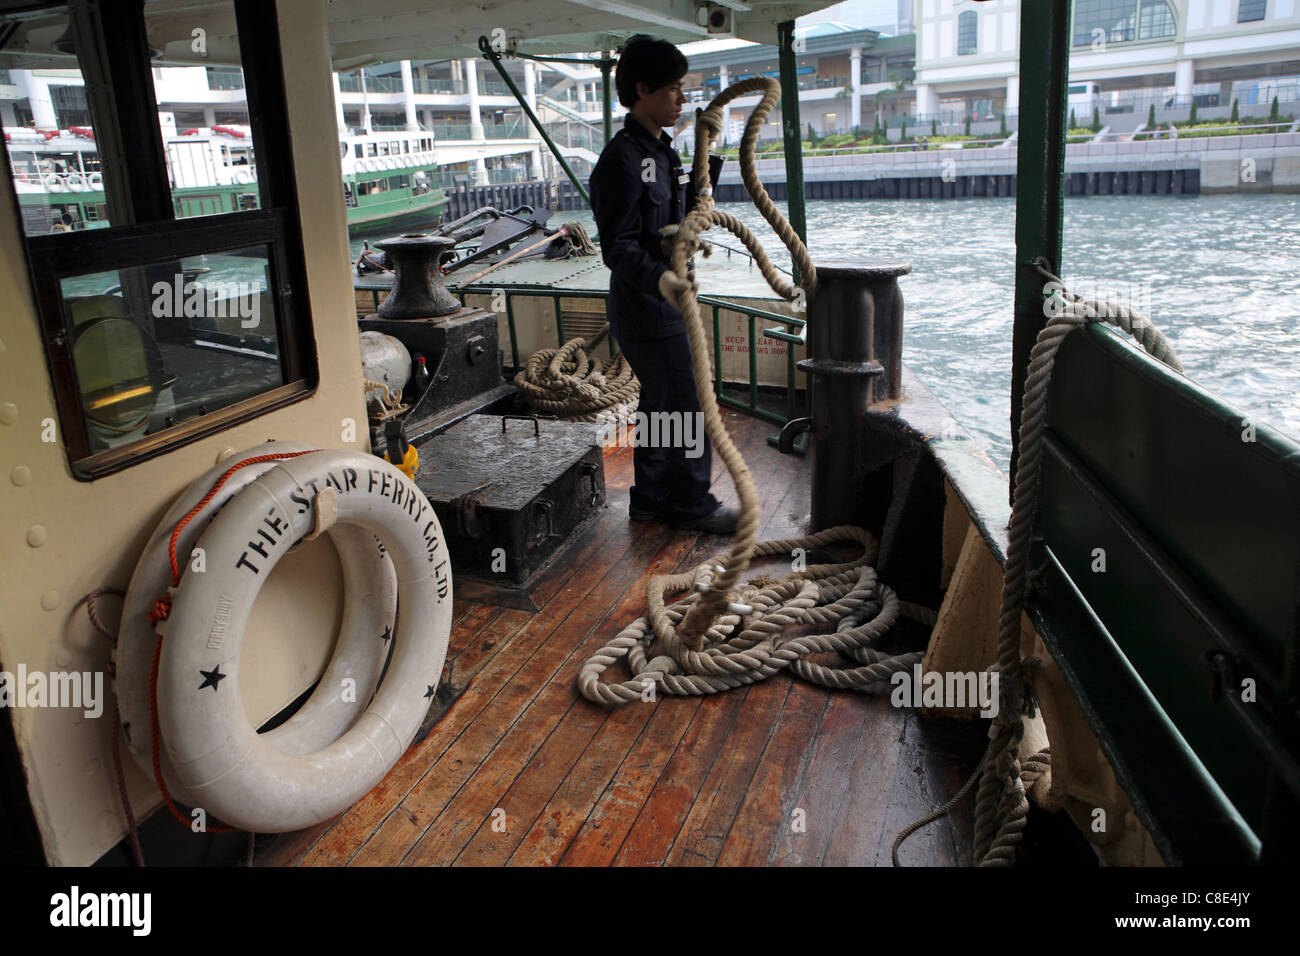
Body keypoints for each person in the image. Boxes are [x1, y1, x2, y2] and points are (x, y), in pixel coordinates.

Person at [588, 35, 738, 535]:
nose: (681, 98)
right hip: (648, 305)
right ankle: (692, 502)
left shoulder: (663, 153)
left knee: (660, 401)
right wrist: (665, 282)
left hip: (664, 301)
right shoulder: (621, 161)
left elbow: (688, 209)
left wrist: (706, 151)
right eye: (673, 89)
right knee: (687, 402)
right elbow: (619, 246)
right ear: (642, 88)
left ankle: (650, 499)